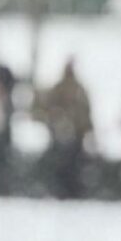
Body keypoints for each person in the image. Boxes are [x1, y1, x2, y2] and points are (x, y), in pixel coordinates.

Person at [40, 59, 95, 198]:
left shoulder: (76, 89)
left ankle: (71, 191)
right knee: (64, 166)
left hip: (74, 135)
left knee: (72, 167)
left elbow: (84, 112)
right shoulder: (63, 89)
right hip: (63, 135)